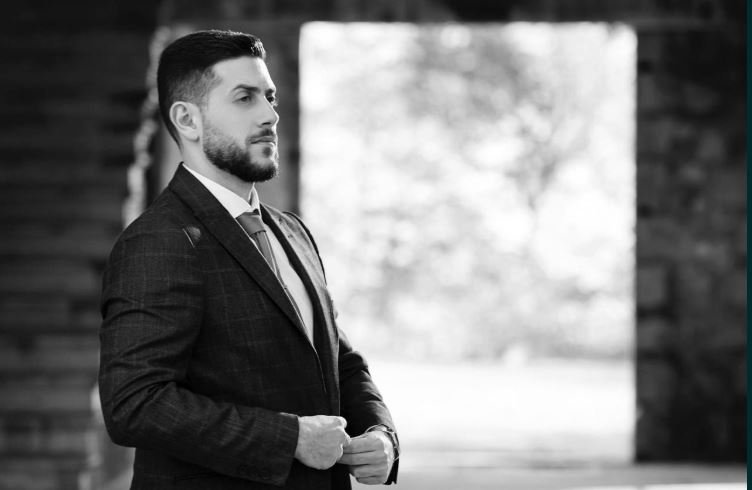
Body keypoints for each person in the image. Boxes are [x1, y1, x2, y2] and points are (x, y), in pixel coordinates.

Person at [98, 29, 399, 490]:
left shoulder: (293, 233)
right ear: (188, 120)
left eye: (270, 97)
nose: (269, 114)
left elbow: (339, 360)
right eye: (245, 98)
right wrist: (289, 439)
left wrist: (380, 433)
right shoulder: (157, 241)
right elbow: (134, 404)